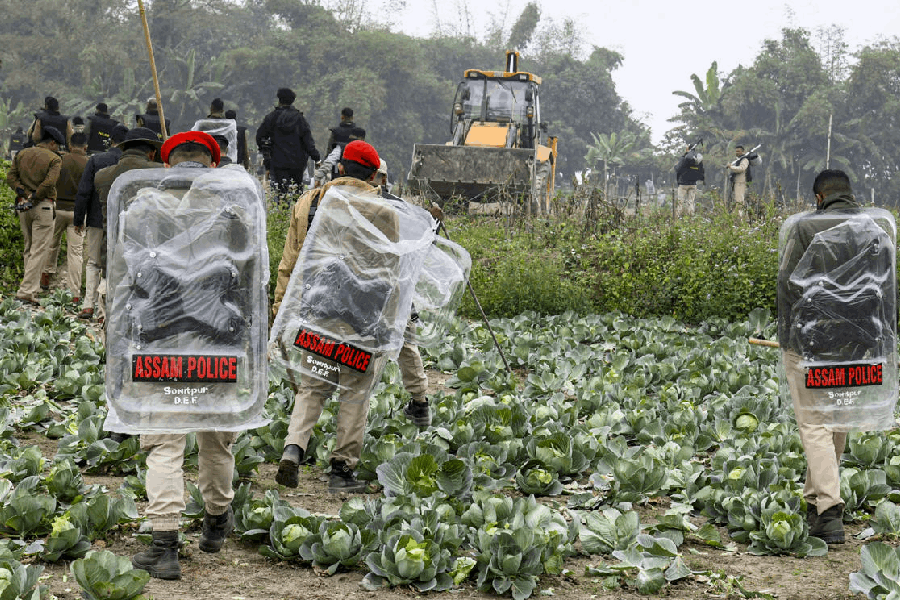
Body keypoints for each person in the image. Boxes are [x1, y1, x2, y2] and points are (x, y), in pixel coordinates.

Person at [128, 131, 237, 580]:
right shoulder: (235, 212)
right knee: (216, 438)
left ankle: (165, 545)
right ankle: (215, 523)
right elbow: (247, 279)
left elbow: (126, 274)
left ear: (167, 164)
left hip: (161, 346)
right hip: (217, 345)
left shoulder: (140, 209)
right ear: (212, 164)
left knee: (164, 444)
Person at [776, 169, 894, 545]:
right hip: (858, 347)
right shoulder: (875, 230)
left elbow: (788, 283)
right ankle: (815, 500)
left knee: (814, 425)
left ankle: (828, 509)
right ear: (849, 193)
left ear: (819, 198)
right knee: (836, 420)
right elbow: (889, 286)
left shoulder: (807, 228)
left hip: (812, 347)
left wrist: (790, 337)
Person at [273, 140, 388, 492]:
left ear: (339, 169)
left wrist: (279, 309)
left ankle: (294, 449)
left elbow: (290, 261)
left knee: (312, 386)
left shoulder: (310, 202)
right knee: (354, 391)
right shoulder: (383, 210)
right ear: (373, 175)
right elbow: (391, 272)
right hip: (360, 321)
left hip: (315, 314)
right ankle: (341, 471)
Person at [374, 159, 434, 428]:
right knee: (406, 345)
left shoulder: (360, 206)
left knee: (376, 346)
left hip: (379, 291)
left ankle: (358, 405)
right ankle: (420, 403)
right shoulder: (402, 208)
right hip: (398, 289)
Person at [93, 128, 163, 320]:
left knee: (113, 315)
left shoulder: (102, 176)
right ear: (151, 152)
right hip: (149, 256)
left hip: (112, 253)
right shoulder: (160, 174)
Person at [74, 124, 129, 321]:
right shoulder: (129, 163)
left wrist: (79, 219)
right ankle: (105, 311)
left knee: (93, 263)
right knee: (114, 264)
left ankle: (88, 305)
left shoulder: (97, 160)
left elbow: (84, 191)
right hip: (123, 222)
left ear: (110, 141)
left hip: (96, 220)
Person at [5, 126, 63, 305]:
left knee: (29, 247)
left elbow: (10, 177)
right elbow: (49, 183)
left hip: (23, 205)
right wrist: (35, 196)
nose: (58, 149)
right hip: (43, 205)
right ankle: (26, 292)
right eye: (57, 145)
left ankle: (31, 289)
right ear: (51, 142)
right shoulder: (54, 159)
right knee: (39, 250)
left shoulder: (21, 154)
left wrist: (22, 192)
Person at [45, 132, 88, 304]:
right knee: (75, 253)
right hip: (77, 213)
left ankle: (45, 279)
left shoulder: (60, 159)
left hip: (57, 209)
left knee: (51, 244)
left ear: (70, 146)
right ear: (85, 147)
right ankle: (74, 293)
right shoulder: (88, 163)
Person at [255, 87, 320, 200]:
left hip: (278, 163)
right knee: (297, 196)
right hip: (297, 164)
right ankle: (296, 215)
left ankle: (281, 216)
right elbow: (308, 141)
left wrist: (267, 154)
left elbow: (260, 137)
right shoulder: (300, 119)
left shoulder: (271, 118)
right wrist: (316, 157)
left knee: (280, 196)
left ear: (279, 100)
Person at [674, 145, 704, 216]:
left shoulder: (683, 158)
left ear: (687, 149)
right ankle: (691, 217)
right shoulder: (697, 158)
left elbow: (678, 169)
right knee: (690, 202)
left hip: (683, 184)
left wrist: (675, 165)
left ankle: (678, 217)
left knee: (680, 202)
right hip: (693, 184)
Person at [726, 145, 751, 216]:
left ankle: (741, 218)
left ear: (743, 152)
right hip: (736, 183)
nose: (737, 152)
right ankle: (737, 217)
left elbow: (742, 168)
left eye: (738, 151)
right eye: (736, 151)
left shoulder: (744, 160)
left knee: (740, 202)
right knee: (736, 201)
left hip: (741, 183)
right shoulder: (738, 160)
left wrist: (731, 167)